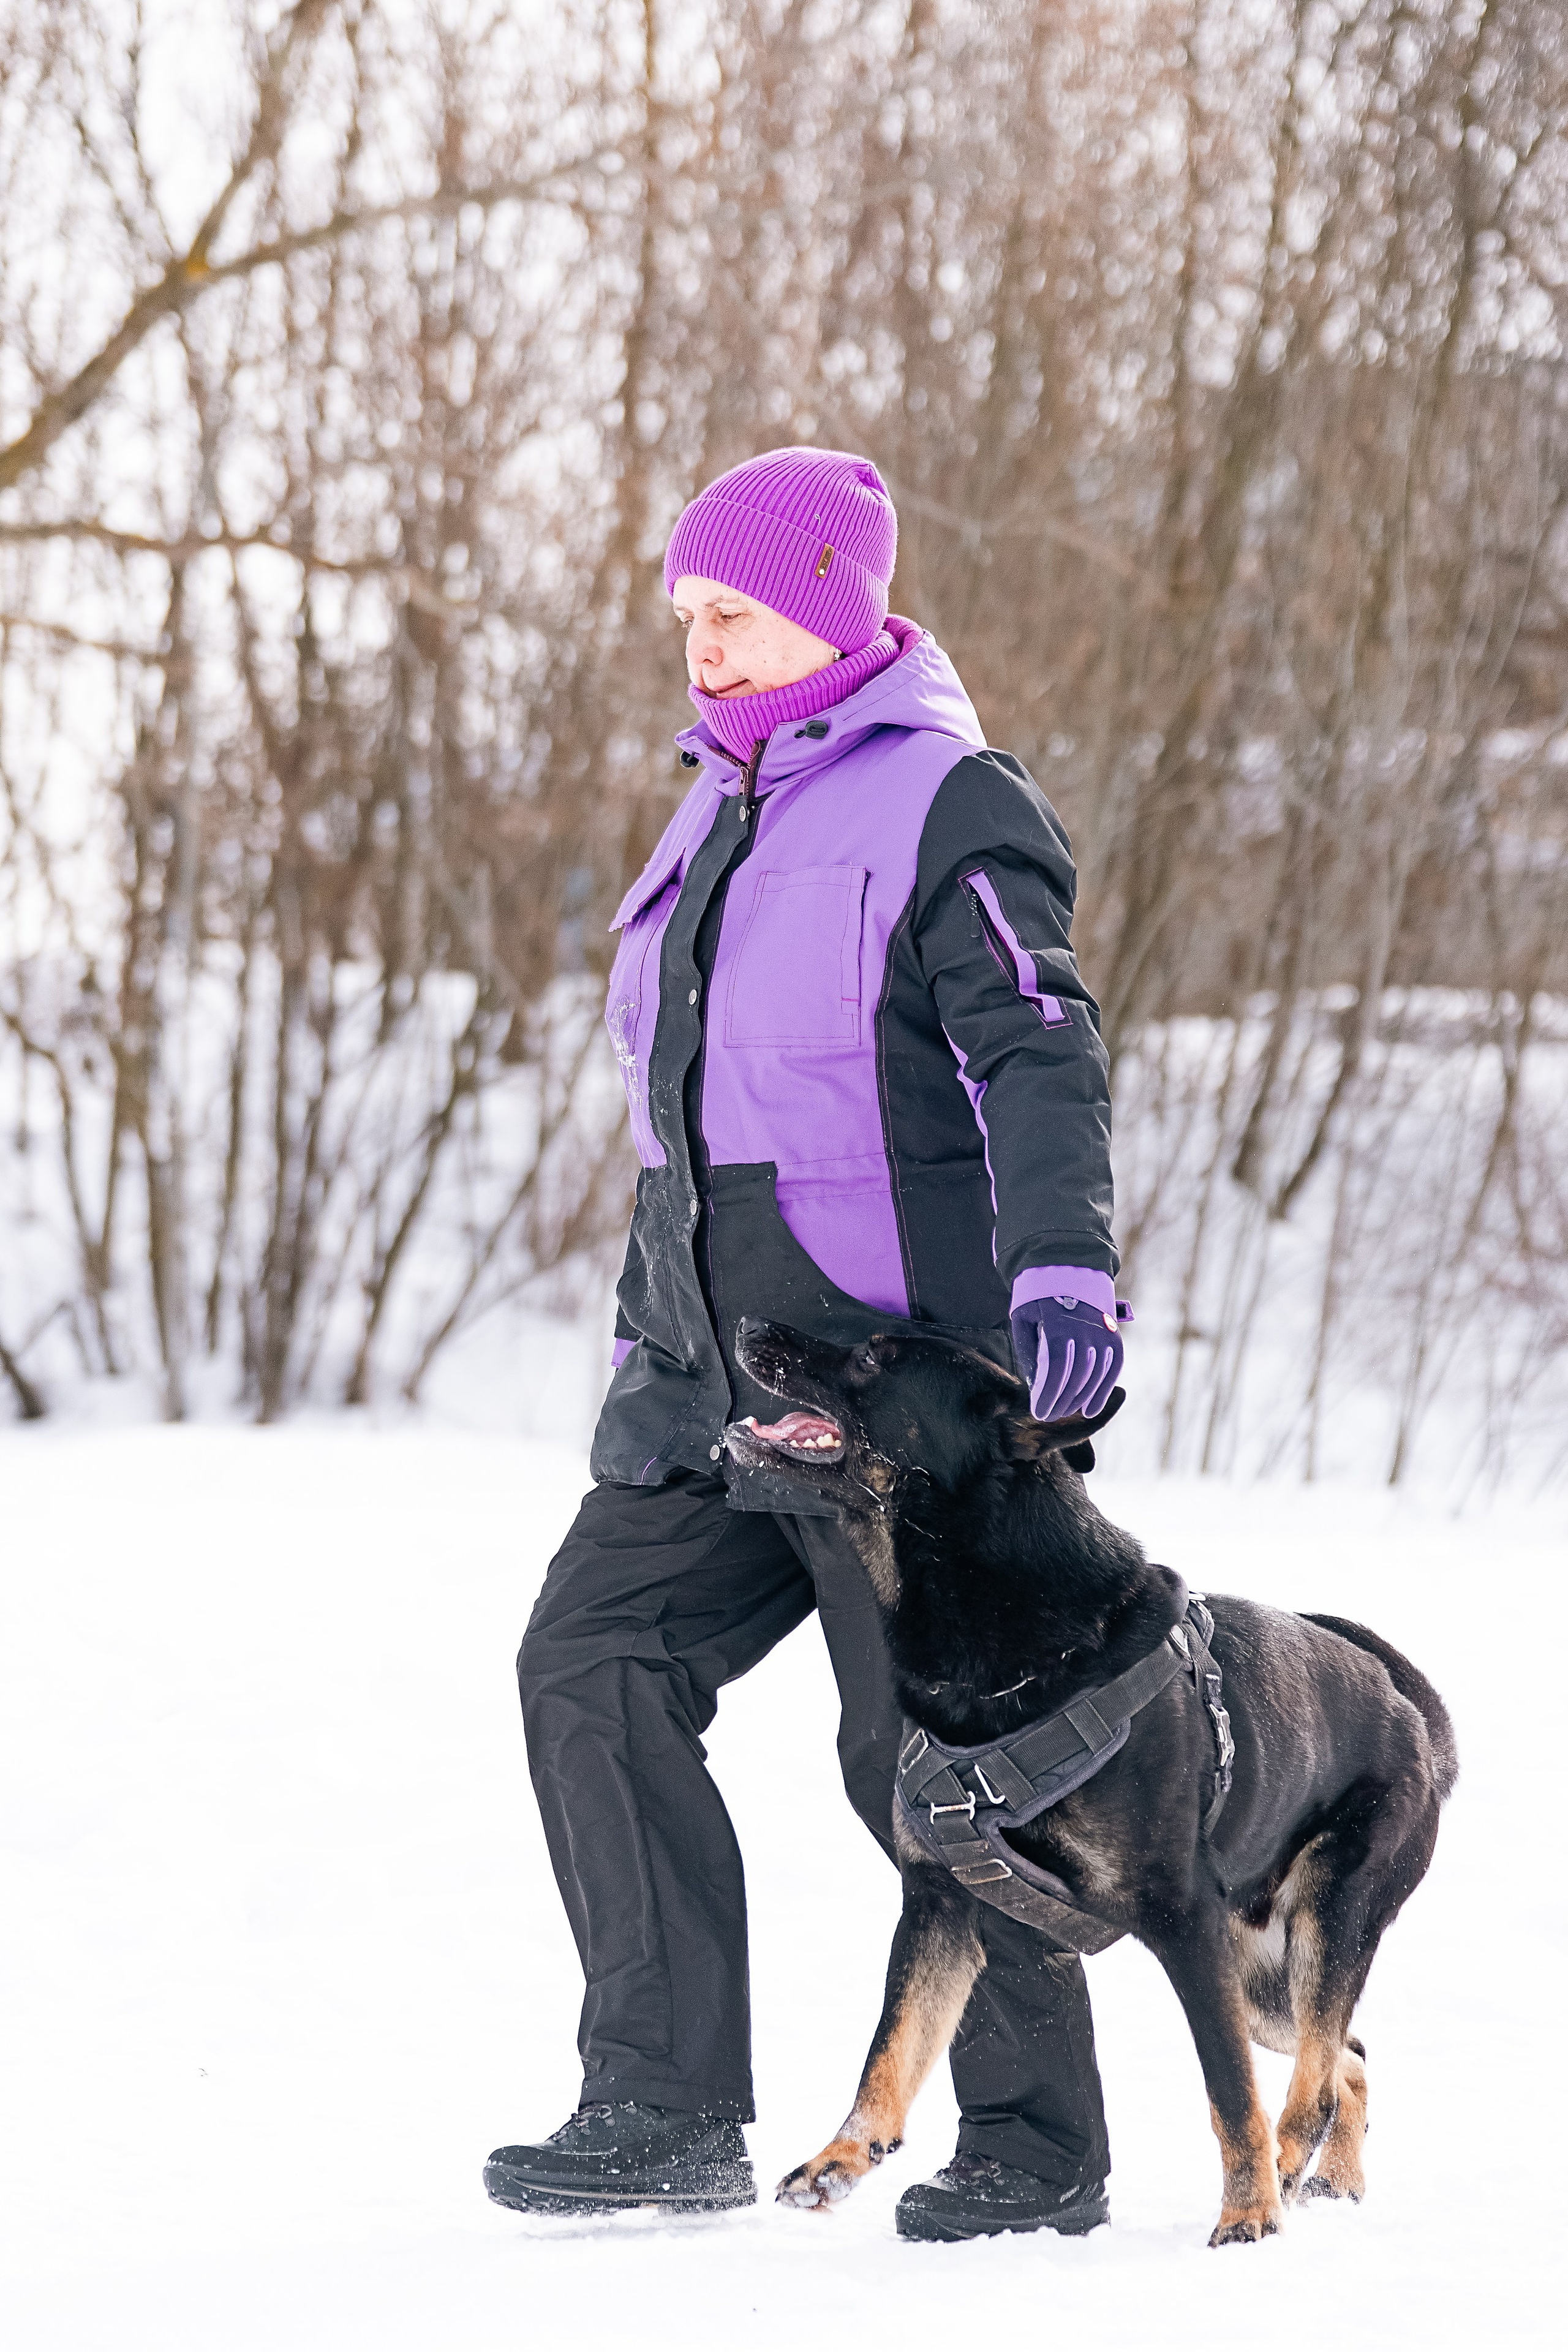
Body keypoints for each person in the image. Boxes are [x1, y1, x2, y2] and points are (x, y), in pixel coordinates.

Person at [484, 448, 1128, 2241]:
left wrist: (1064, 1275)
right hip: (714, 1374)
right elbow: (677, 1129)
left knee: (914, 1755)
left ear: (835, 609)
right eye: (688, 613)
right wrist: (648, 1346)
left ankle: (1031, 2143)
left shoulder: (948, 802)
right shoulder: (711, 812)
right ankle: (663, 2102)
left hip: (896, 1387)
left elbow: (1040, 1050)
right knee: (592, 1658)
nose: (704, 647)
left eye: (739, 614)